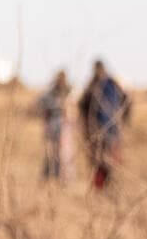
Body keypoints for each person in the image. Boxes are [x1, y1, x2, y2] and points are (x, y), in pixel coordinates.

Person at [78, 59, 132, 192]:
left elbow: (127, 101)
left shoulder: (107, 84)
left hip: (105, 130)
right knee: (101, 159)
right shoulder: (101, 85)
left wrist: (123, 119)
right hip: (100, 130)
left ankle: (106, 185)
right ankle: (102, 186)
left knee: (103, 159)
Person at [36, 69, 76, 182]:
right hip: (51, 126)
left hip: (65, 127)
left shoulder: (70, 93)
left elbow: (74, 111)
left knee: (65, 154)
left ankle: (65, 177)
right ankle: (49, 176)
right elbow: (40, 104)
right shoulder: (49, 93)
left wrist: (68, 111)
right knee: (50, 153)